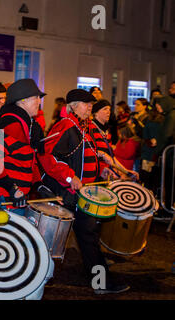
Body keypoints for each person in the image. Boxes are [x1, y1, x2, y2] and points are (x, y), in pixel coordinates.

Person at [42, 89, 130, 295]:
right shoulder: (65, 126)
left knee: (85, 238)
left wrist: (103, 169)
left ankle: (99, 283)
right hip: (69, 194)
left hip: (84, 194)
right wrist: (69, 177)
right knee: (71, 239)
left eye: (91, 104)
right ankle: (101, 284)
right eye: (86, 104)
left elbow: (89, 156)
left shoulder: (83, 128)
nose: (90, 107)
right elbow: (47, 157)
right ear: (73, 106)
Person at [0, 79, 56, 215]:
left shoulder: (27, 124)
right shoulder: (9, 124)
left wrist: (38, 184)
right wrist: (12, 189)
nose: (39, 102)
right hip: (4, 199)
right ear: (22, 100)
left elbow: (28, 161)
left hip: (16, 198)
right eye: (35, 97)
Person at [89, 99, 138, 180]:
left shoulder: (106, 131)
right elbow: (88, 154)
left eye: (109, 109)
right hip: (94, 174)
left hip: (106, 174)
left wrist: (126, 171)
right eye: (105, 109)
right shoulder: (90, 128)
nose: (108, 112)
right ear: (96, 112)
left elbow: (112, 157)